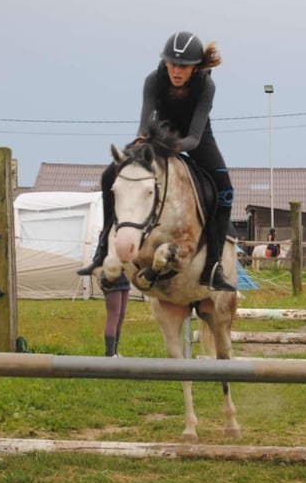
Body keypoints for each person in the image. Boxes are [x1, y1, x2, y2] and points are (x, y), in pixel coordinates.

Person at [78, 31, 236, 292]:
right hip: (156, 137)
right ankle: (102, 249)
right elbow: (144, 124)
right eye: (172, 63)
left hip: (193, 139)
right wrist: (143, 143)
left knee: (226, 191)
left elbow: (194, 138)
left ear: (195, 68)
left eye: (183, 66)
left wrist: (172, 147)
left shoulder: (206, 86)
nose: (176, 70)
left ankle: (213, 266)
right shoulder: (153, 80)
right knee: (109, 176)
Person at [97, 271, 130, 357]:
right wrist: (100, 276)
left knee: (121, 316)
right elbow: (98, 259)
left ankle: (115, 352)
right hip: (111, 280)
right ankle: (109, 354)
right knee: (113, 316)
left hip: (125, 279)